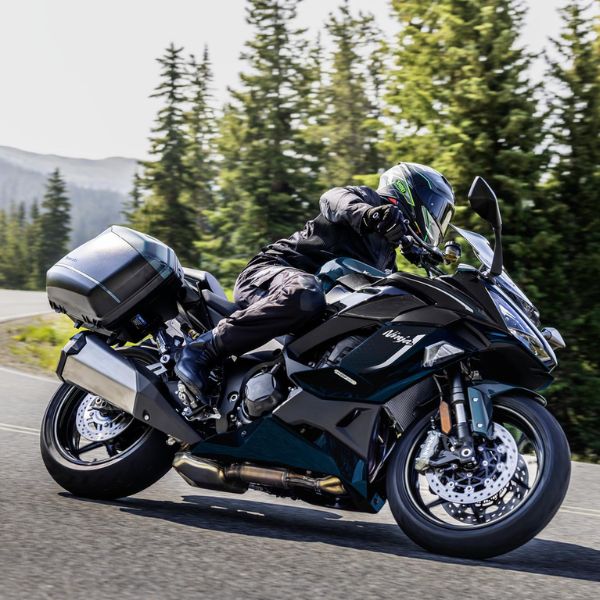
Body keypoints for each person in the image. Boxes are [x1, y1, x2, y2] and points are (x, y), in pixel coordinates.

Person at [175, 162, 455, 403]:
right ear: (411, 193)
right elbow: (333, 200)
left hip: (305, 309)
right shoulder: (364, 199)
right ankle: (203, 349)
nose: (436, 219)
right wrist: (369, 214)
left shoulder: (386, 260)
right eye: (436, 208)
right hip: (269, 274)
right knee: (305, 292)